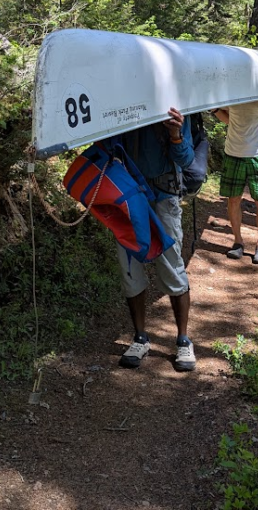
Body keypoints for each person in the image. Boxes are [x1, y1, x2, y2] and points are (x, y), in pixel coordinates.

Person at [112, 107, 196, 372]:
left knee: (171, 266)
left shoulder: (173, 104)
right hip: (126, 197)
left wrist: (175, 134)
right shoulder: (118, 102)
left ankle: (183, 340)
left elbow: (186, 159)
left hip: (164, 196)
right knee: (130, 268)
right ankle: (140, 338)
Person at [213, 97, 258, 265]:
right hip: (233, 153)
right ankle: (238, 242)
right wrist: (214, 110)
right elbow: (228, 119)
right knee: (233, 199)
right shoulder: (230, 93)